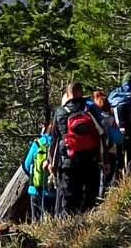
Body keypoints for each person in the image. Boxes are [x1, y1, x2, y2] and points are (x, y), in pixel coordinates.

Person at [49, 81, 102, 216]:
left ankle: (69, 225)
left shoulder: (60, 112)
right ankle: (88, 222)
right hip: (91, 160)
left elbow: (54, 140)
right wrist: (104, 160)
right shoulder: (90, 109)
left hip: (68, 162)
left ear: (67, 94)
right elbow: (102, 134)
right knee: (89, 197)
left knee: (68, 199)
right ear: (81, 93)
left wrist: (51, 163)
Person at [90, 89, 124, 192]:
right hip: (110, 152)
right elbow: (118, 138)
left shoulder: (90, 117)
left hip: (94, 152)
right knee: (107, 180)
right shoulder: (109, 119)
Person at [23, 123, 56, 220]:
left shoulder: (37, 144)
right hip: (54, 191)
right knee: (52, 220)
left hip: (36, 190)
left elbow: (26, 166)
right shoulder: (59, 144)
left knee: (36, 221)